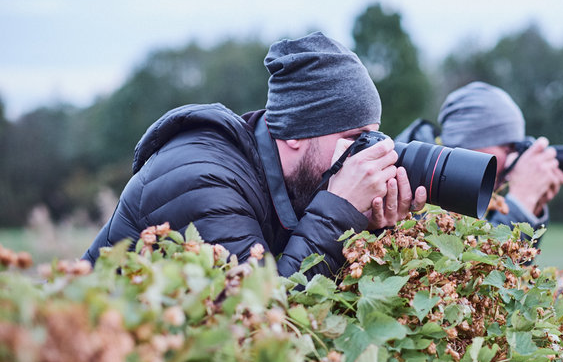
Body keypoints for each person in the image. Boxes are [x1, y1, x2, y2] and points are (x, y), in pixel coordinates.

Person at [83, 32, 427, 279]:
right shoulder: (205, 179)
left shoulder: (290, 186)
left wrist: (365, 230)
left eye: (372, 137)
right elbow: (263, 327)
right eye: (354, 139)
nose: (364, 156)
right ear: (295, 134)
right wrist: (338, 213)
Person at [437, 81, 563, 230]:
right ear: (469, 143)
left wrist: (532, 209)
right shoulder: (415, 187)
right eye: (508, 149)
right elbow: (469, 253)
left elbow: (494, 250)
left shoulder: (469, 197)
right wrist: (521, 201)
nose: (512, 161)